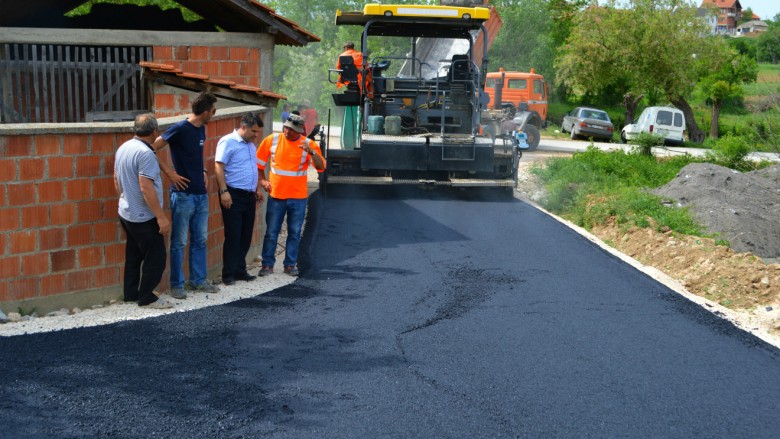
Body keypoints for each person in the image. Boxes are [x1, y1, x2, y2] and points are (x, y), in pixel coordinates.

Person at [152, 91, 219, 299]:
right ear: (206, 112)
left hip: (200, 194)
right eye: (214, 111)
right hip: (182, 196)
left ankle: (198, 281)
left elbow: (195, 156)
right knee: (180, 242)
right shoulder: (180, 128)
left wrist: (204, 171)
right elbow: (153, 147)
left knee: (200, 239)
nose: (214, 115)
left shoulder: (201, 130)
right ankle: (177, 285)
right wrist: (169, 173)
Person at [114, 114, 174, 309]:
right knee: (156, 257)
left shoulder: (123, 147)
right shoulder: (146, 153)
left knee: (133, 255)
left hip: (126, 212)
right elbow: (145, 186)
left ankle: (131, 294)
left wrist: (125, 199)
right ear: (155, 131)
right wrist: (161, 216)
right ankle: (147, 298)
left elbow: (116, 179)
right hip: (143, 216)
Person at [256, 113, 325, 276]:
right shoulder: (272, 140)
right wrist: (263, 181)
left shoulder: (309, 145)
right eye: (286, 128)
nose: (287, 132)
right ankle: (267, 265)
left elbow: (321, 167)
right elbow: (258, 163)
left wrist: (312, 153)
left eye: (292, 130)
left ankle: (290, 264)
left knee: (294, 232)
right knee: (272, 232)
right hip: (276, 196)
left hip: (298, 198)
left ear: (300, 130)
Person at [214, 112, 265, 285]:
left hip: (249, 196)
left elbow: (251, 168)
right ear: (243, 127)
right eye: (253, 131)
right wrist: (223, 191)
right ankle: (228, 274)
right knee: (233, 235)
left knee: (245, 235)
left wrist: (256, 189)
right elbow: (219, 166)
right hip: (233, 195)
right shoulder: (228, 141)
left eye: (258, 132)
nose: (256, 135)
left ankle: (240, 270)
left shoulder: (250, 145)